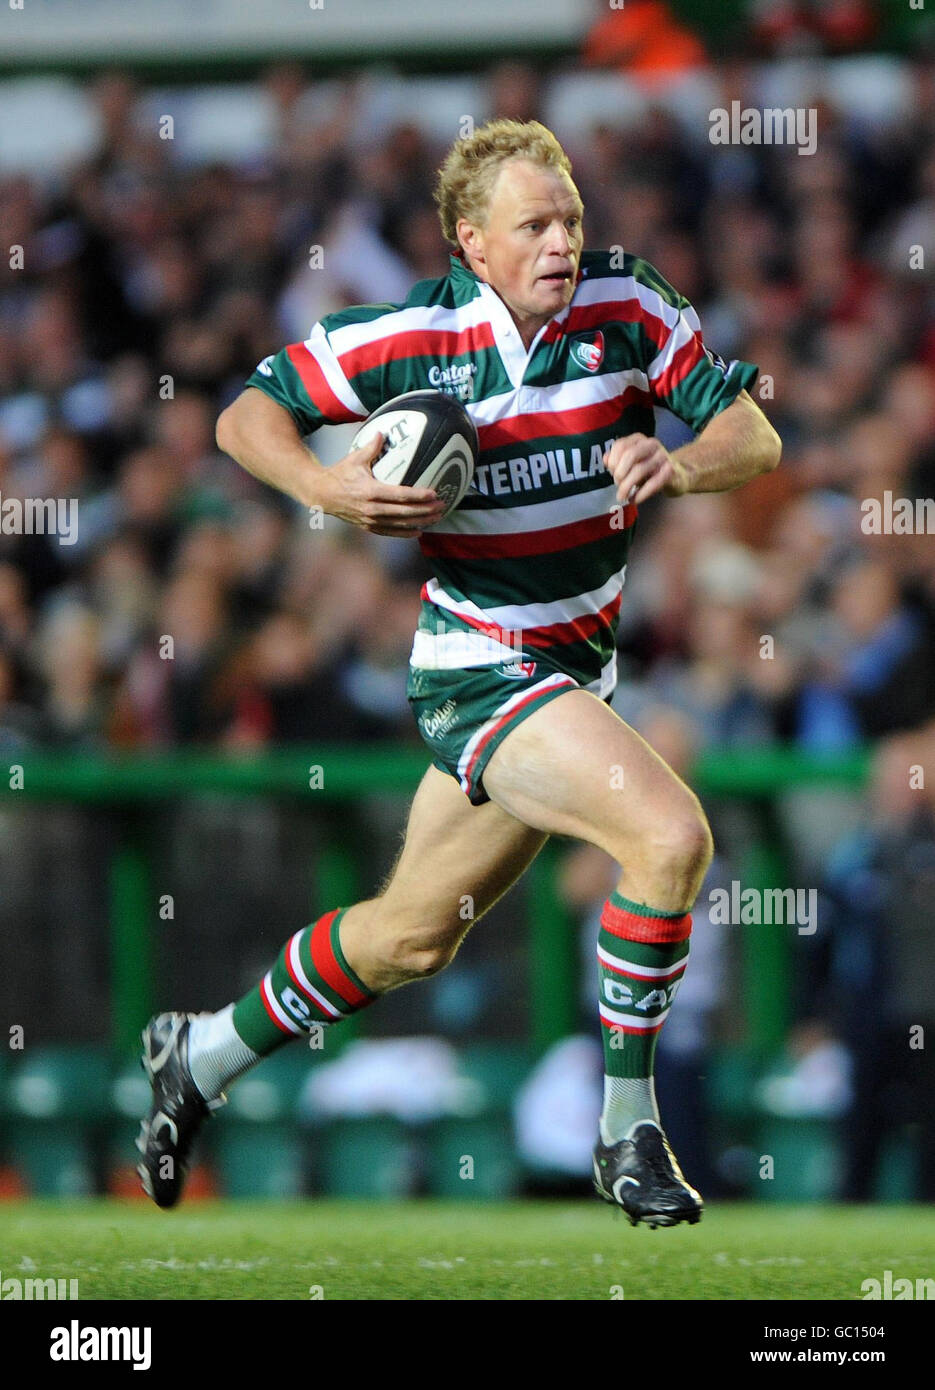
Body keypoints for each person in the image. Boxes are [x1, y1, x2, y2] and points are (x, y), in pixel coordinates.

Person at [137, 119, 780, 1227]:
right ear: (472, 246)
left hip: (572, 670)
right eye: (533, 224)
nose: (560, 241)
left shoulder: (627, 306)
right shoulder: (406, 337)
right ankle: (628, 1128)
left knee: (409, 937)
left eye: (569, 217)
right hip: (477, 664)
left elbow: (753, 435)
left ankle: (197, 1054)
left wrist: (676, 462)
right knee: (669, 839)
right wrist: (326, 492)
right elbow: (245, 415)